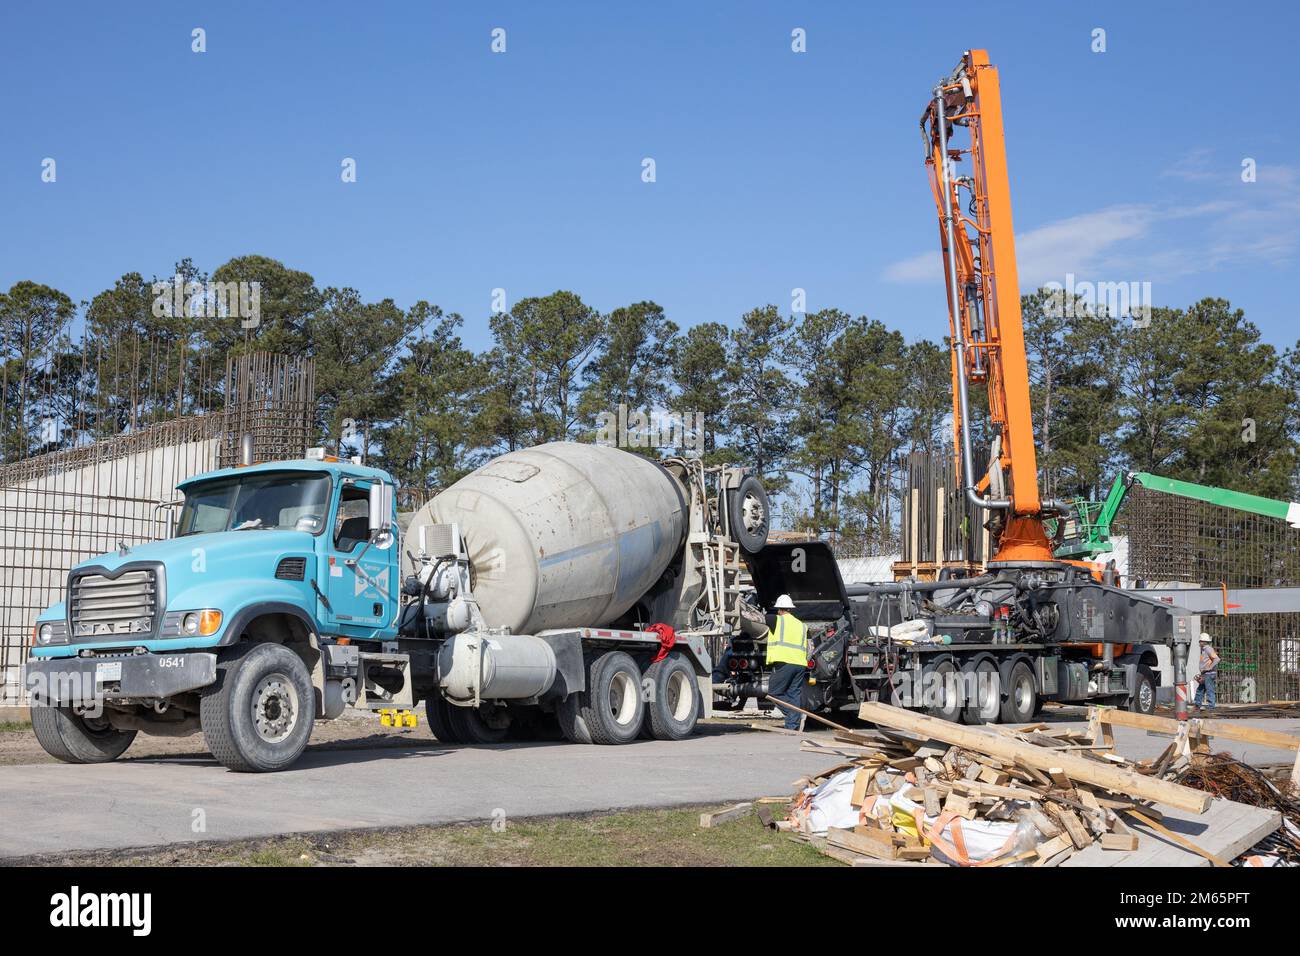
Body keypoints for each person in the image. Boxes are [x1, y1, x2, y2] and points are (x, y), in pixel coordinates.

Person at [764, 594, 808, 730]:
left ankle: (793, 715)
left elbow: (757, 618)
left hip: (785, 661)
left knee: (774, 693)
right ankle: (792, 727)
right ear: (790, 609)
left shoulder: (776, 620)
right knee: (793, 694)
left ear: (779, 609)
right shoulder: (802, 625)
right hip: (800, 663)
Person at [1193, 632, 1220, 710]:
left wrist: (1209, 667)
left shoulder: (1208, 649)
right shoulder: (1204, 649)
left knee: (1209, 690)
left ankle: (1211, 707)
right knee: (1200, 689)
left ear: (1203, 641)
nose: (1199, 642)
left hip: (1209, 673)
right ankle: (1197, 704)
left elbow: (1217, 659)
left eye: (1200, 641)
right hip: (1205, 673)